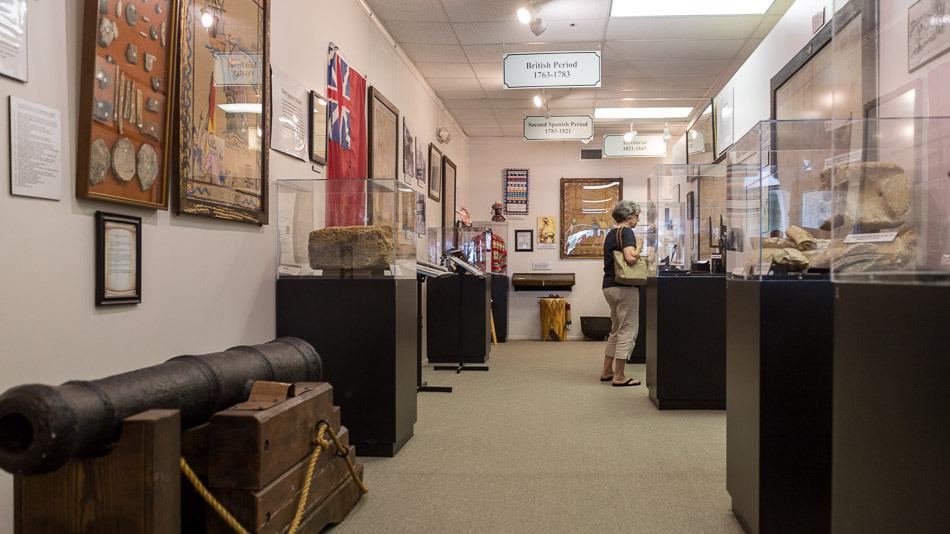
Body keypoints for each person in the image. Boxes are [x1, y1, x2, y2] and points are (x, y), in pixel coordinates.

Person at [601, 200, 643, 387]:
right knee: (628, 330)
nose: (638, 220)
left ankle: (607, 370)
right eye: (636, 217)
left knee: (616, 330)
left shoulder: (610, 234)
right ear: (628, 218)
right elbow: (630, 258)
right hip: (625, 287)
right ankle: (619, 376)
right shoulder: (627, 232)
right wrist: (641, 246)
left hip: (609, 286)